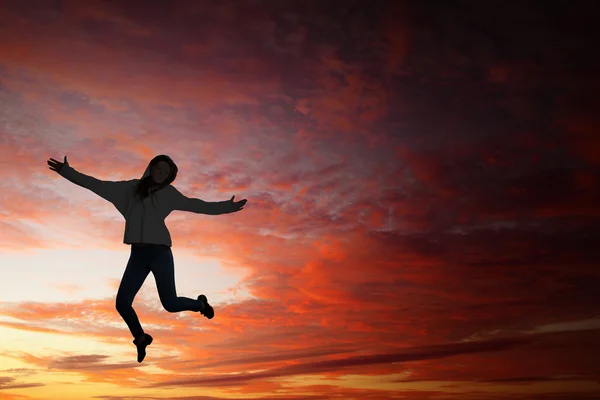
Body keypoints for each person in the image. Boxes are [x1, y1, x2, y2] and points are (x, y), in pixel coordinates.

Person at [47, 155, 247, 363]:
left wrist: (226, 207)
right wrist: (66, 171)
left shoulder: (169, 194)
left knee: (169, 303)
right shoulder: (128, 190)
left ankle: (201, 305)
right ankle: (141, 338)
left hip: (160, 253)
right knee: (122, 304)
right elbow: (95, 184)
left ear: (169, 177)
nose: (161, 175)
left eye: (166, 173)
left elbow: (197, 205)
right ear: (150, 168)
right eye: (158, 169)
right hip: (138, 254)